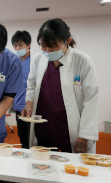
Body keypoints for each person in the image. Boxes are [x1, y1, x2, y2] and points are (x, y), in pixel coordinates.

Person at [21, 18, 99, 153]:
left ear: (67, 41)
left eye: (53, 46)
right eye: (43, 46)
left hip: (69, 131)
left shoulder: (82, 61)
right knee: (42, 167)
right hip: (43, 128)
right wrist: (29, 102)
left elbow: (91, 99)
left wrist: (84, 136)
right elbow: (31, 85)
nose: (48, 51)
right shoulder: (38, 60)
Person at [11, 30, 37, 149]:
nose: (17, 48)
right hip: (18, 105)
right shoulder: (13, 61)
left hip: (31, 105)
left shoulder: (36, 60)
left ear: (28, 45)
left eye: (20, 45)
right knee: (22, 136)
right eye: (15, 45)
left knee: (34, 136)